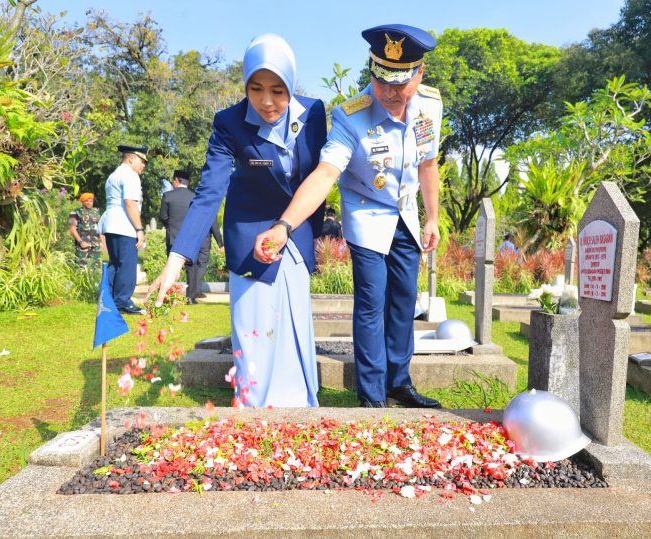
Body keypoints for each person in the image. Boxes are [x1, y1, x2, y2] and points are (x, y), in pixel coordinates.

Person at [254, 24, 443, 409]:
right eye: (381, 81)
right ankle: (372, 397)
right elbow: (325, 174)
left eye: (400, 83)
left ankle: (398, 382)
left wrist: (432, 218)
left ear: (420, 74)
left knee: (405, 301)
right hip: (367, 216)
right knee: (372, 304)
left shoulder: (430, 106)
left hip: (404, 214)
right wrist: (284, 224)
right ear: (371, 72)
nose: (390, 92)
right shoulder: (350, 117)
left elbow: (428, 164)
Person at [147, 34, 326, 407]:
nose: (266, 101)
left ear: (291, 84)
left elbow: (321, 177)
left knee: (294, 325)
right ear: (244, 85)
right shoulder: (229, 122)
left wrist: (303, 231)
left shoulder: (314, 114)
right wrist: (176, 259)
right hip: (249, 238)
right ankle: (254, 409)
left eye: (278, 90)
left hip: (295, 235)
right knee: (256, 329)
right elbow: (210, 192)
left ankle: (298, 410)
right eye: (256, 88)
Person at [159, 170, 223, 304]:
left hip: (174, 236)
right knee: (191, 268)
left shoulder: (167, 196)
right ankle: (190, 297)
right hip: (191, 236)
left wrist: (171, 226)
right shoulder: (195, 196)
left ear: (176, 180)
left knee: (172, 267)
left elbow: (163, 217)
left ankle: (168, 295)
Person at [98, 144, 148, 315]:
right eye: (142, 161)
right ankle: (123, 302)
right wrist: (139, 229)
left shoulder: (114, 175)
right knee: (126, 265)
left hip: (111, 224)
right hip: (124, 226)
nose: (143, 166)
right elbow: (130, 203)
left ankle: (109, 300)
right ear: (132, 158)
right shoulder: (130, 175)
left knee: (115, 264)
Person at [68, 192, 103, 269]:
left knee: (95, 269)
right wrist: (80, 242)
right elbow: (72, 228)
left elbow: (100, 228)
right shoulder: (74, 213)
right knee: (81, 269)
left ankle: (94, 281)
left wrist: (102, 242)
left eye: (91, 201)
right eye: (87, 201)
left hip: (95, 246)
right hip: (83, 245)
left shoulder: (96, 212)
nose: (89, 203)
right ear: (82, 201)